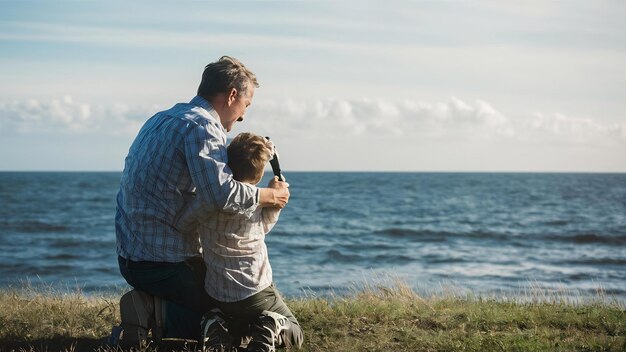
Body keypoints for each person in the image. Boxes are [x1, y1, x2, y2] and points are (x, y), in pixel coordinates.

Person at [115, 56, 290, 342]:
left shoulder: (163, 118)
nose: (244, 115)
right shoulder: (203, 128)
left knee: (223, 311)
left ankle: (154, 307)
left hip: (132, 256)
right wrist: (271, 195)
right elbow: (221, 194)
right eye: (246, 104)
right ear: (232, 95)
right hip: (164, 263)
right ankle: (155, 312)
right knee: (234, 315)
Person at [192, 132, 303, 352]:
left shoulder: (208, 199)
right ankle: (271, 325)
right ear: (259, 173)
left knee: (240, 327)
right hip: (256, 291)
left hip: (217, 293)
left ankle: (218, 323)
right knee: (296, 332)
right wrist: (275, 197)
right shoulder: (257, 201)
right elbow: (265, 226)